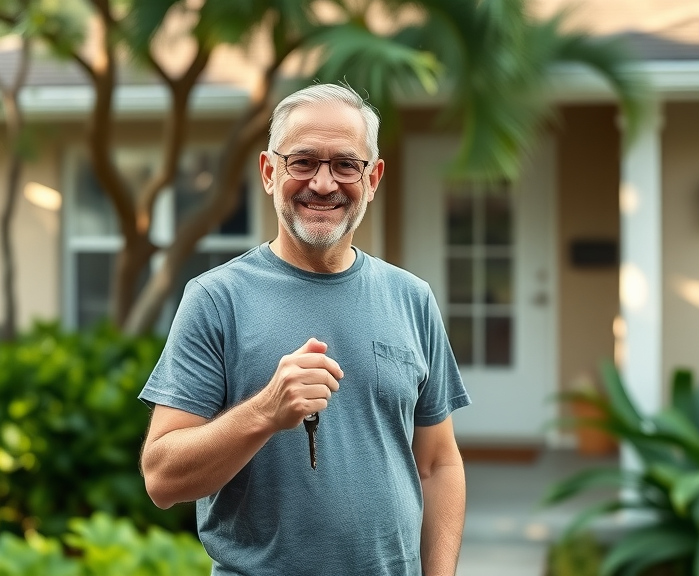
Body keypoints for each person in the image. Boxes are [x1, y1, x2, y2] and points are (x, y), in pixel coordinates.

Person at [139, 83, 471, 576]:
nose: (323, 183)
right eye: (302, 162)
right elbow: (162, 477)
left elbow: (438, 463)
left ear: (373, 177)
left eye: (345, 165)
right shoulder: (216, 299)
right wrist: (265, 413)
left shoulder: (411, 298)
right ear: (269, 172)